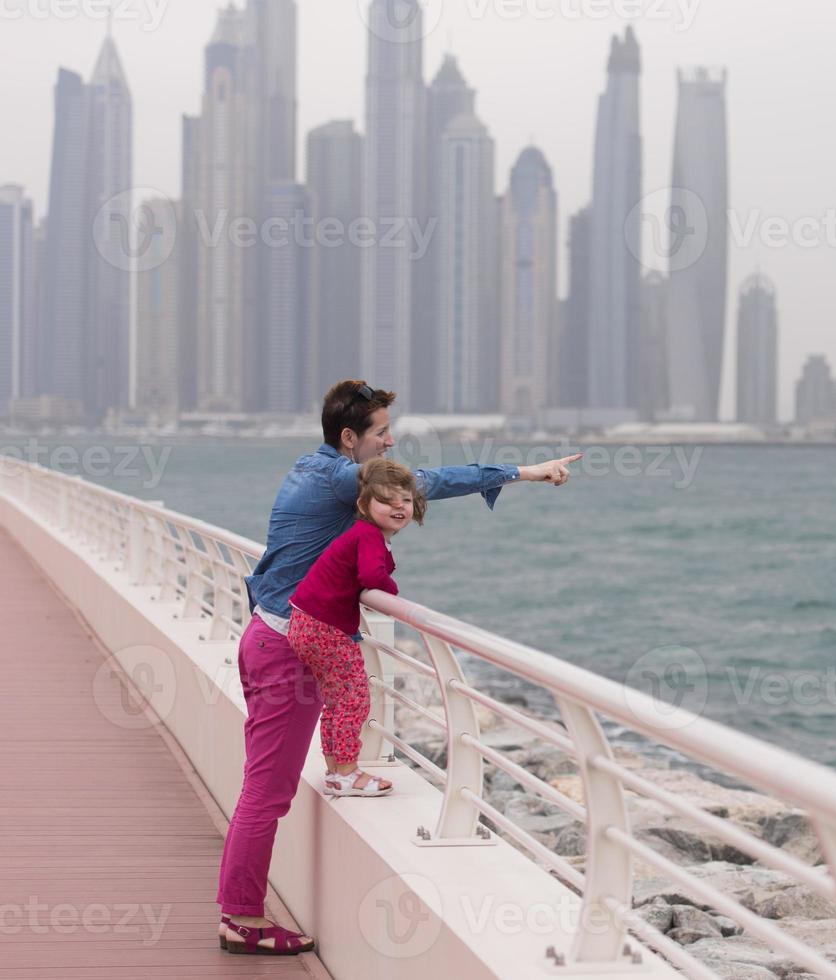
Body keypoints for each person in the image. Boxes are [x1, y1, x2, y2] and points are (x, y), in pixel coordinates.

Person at [216, 380, 581, 956]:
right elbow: (425, 485)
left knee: (268, 787)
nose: (391, 442)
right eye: (382, 432)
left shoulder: (313, 467)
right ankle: (239, 919)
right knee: (266, 791)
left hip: (279, 636)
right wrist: (524, 472)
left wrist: (518, 472)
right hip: (286, 647)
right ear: (349, 437)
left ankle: (254, 889)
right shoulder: (341, 479)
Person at [288, 459, 422, 799]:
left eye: (405, 500)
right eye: (386, 500)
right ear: (364, 505)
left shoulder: (365, 534)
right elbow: (372, 577)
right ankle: (347, 772)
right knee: (354, 698)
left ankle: (336, 770)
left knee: (336, 700)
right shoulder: (368, 535)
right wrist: (393, 595)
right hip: (324, 626)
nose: (398, 507)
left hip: (307, 621)